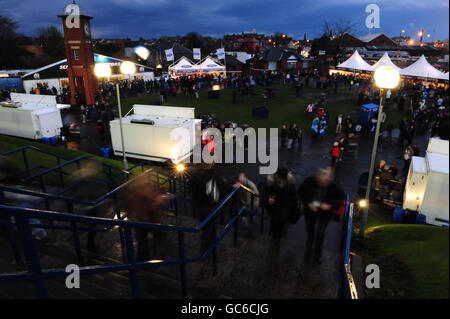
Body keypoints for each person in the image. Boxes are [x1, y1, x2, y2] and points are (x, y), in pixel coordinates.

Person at [298, 168, 345, 264]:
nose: (324, 181)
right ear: (318, 177)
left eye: (327, 179)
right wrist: (309, 203)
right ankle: (309, 244)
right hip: (311, 211)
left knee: (320, 232)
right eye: (322, 178)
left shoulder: (335, 186)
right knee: (310, 228)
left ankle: (317, 254)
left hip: (325, 214)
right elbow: (300, 192)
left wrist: (330, 206)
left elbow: (341, 199)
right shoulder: (310, 181)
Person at [262, 167, 297, 244]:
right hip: (274, 207)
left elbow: (293, 195)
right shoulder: (270, 180)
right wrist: (268, 198)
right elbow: (264, 191)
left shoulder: (290, 182)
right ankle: (275, 236)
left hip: (284, 206)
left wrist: (291, 207)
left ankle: (277, 236)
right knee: (274, 221)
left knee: (281, 221)